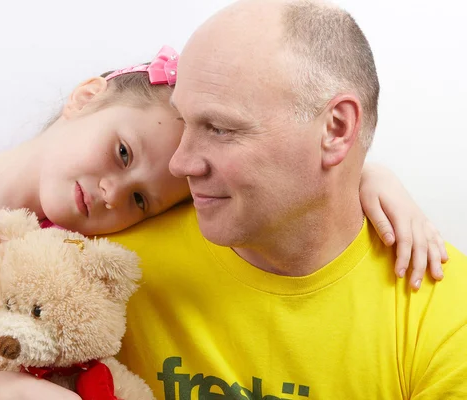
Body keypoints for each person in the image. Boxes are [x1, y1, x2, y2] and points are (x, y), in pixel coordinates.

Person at [0, 43, 447, 400]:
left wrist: (366, 177)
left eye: (142, 199)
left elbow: (259, 198)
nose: (112, 193)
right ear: (87, 96)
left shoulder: (82, 243)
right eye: (121, 152)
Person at [106, 1, 467, 398]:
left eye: (220, 129)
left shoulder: (447, 318)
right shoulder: (111, 270)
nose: (181, 163)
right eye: (184, 123)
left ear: (336, 128)